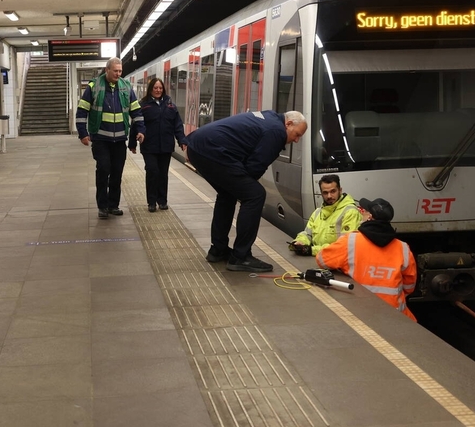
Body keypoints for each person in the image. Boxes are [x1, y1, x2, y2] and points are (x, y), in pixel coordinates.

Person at [186, 110, 308, 273]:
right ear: (288, 124)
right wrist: (245, 188)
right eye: (297, 134)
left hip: (199, 146)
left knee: (227, 195)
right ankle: (241, 257)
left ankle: (218, 250)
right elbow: (255, 166)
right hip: (213, 150)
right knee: (255, 195)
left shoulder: (271, 117)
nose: (296, 140)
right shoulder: (276, 132)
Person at [316, 197, 418, 320]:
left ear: (369, 216)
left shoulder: (350, 242)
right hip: (396, 317)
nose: (361, 212)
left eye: (363, 211)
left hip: (359, 314)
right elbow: (409, 287)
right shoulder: (403, 248)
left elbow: (322, 260)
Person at [77, 57, 145, 219]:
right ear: (107, 70)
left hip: (120, 139)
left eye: (120, 71)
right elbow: (82, 111)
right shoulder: (94, 87)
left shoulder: (126, 87)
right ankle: (102, 206)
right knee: (103, 169)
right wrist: (83, 133)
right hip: (100, 138)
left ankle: (113, 205)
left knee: (117, 172)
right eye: (115, 71)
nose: (118, 74)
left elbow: (136, 111)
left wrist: (141, 130)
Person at [129, 77, 188, 212]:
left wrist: (182, 140)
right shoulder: (143, 105)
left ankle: (162, 201)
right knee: (152, 171)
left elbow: (177, 125)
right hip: (149, 146)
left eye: (160, 88)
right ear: (150, 89)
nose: (158, 90)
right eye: (155, 88)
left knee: (163, 174)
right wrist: (132, 143)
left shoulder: (170, 105)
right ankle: (151, 202)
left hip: (166, 146)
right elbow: (136, 124)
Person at [291, 174, 362, 258]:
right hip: (319, 260)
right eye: (325, 193)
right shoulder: (317, 212)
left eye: (333, 191)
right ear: (321, 193)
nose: (329, 196)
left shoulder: (350, 212)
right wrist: (300, 242)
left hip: (337, 263)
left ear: (340, 190)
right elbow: (307, 234)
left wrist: (311, 250)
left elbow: (345, 246)